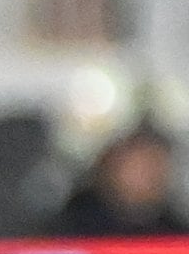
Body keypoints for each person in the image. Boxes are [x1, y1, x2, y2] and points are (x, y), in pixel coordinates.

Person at [37, 66, 189, 243]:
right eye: (136, 162)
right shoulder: (69, 231)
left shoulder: (175, 233)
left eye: (156, 161)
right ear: (107, 163)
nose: (149, 172)